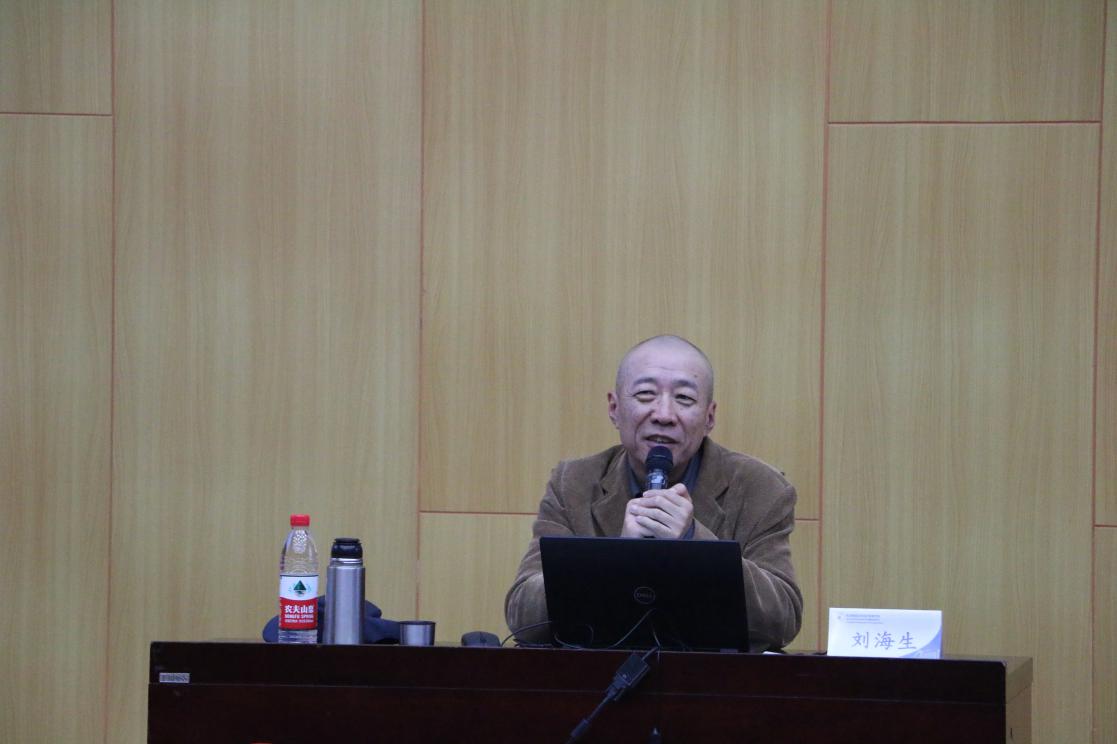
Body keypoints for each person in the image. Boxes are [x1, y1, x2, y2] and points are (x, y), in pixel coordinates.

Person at [504, 335, 802, 649]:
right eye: (646, 394)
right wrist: (615, 558)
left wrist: (694, 543)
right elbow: (523, 616)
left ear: (709, 417)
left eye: (684, 398)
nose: (663, 414)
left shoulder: (760, 488)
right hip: (598, 674)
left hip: (710, 676)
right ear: (614, 408)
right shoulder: (574, 483)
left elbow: (782, 620)